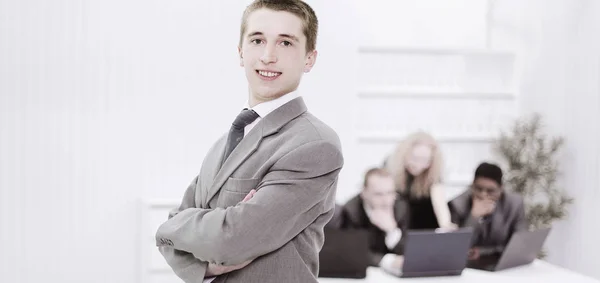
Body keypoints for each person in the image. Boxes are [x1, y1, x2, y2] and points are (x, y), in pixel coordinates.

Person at [154, 1, 344, 282]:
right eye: (257, 40)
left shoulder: (315, 146)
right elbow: (174, 225)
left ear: (309, 58)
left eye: (286, 43)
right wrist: (203, 264)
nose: (268, 56)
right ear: (241, 52)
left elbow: (230, 240)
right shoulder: (227, 140)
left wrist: (180, 230)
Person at [448, 162, 527, 261]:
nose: (483, 195)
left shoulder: (514, 204)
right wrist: (473, 217)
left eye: (490, 191)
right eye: (478, 188)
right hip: (467, 265)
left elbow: (519, 244)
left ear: (501, 188)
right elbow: (456, 247)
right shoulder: (457, 205)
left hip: (502, 261)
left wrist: (483, 251)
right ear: (472, 185)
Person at [340, 168, 407, 276]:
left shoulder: (400, 208)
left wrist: (392, 230)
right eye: (378, 194)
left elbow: (409, 252)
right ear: (364, 193)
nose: (386, 200)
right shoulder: (351, 211)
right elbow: (352, 252)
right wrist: (387, 260)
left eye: (390, 192)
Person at [385, 131, 456, 230]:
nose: (418, 165)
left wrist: (446, 224)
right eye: (414, 158)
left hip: (424, 225)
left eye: (425, 160)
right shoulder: (391, 168)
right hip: (399, 224)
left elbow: (440, 204)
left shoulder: (433, 174)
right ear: (404, 154)